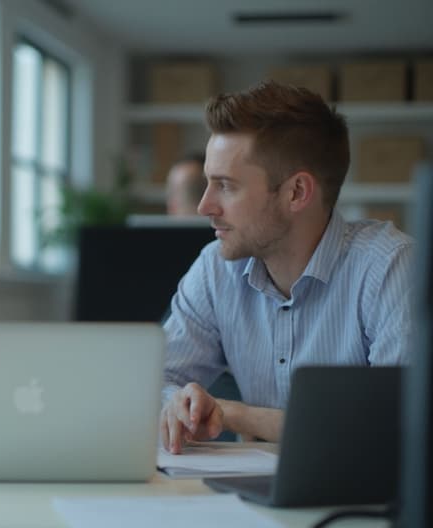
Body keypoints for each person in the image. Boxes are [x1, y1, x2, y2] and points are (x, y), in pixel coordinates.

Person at [160, 81, 413, 453]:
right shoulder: (215, 269)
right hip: (248, 494)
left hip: (361, 501)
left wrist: (239, 416)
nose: (204, 206)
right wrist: (176, 403)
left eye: (225, 186)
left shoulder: (391, 267)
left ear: (296, 192)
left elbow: (398, 425)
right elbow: (156, 381)